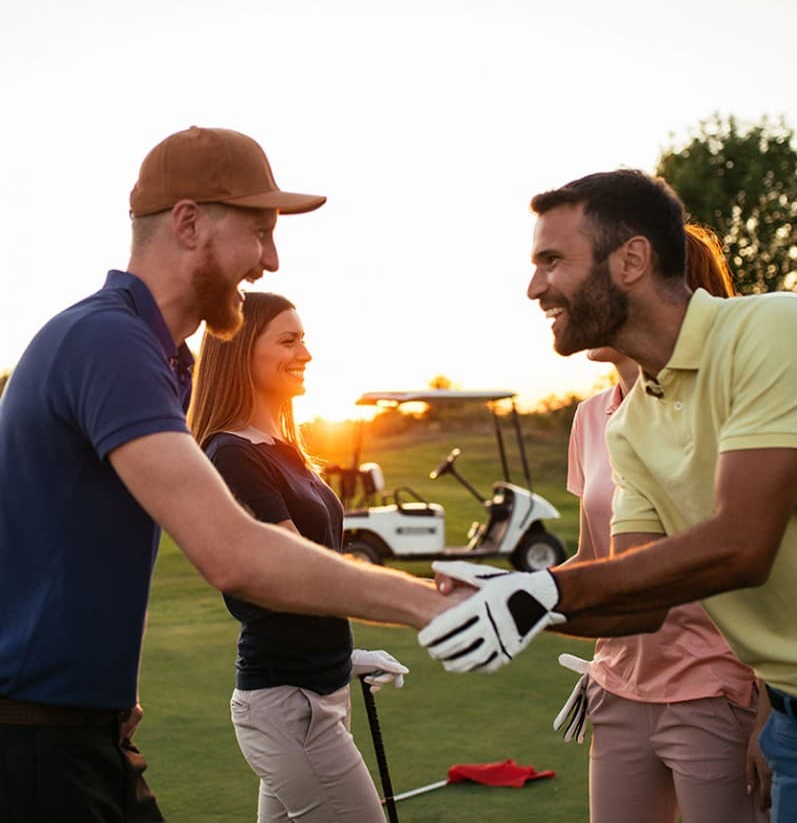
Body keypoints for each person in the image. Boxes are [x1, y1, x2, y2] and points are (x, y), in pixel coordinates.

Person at [0, 126, 457, 823]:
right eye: (260, 232)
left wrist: (102, 694)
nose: (270, 260)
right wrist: (430, 605)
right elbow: (235, 554)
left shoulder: (145, 351)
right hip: (36, 748)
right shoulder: (109, 341)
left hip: (76, 728)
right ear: (188, 223)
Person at [419, 169, 797, 823]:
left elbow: (741, 546)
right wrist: (512, 597)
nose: (534, 288)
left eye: (552, 261)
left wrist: (547, 595)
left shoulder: (774, 330)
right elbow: (635, 599)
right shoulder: (635, 420)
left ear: (632, 260)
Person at [557, 223, 769, 822]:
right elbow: (594, 559)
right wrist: (508, 592)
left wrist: (770, 708)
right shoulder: (591, 419)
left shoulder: (728, 411)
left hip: (715, 689)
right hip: (617, 687)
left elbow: (765, 565)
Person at [189, 291, 407, 822]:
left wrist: (344, 657)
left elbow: (308, 585)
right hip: (291, 708)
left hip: (315, 695)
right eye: (288, 340)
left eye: (304, 339)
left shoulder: (283, 449)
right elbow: (296, 577)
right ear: (241, 352)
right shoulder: (232, 455)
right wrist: (424, 602)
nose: (304, 353)